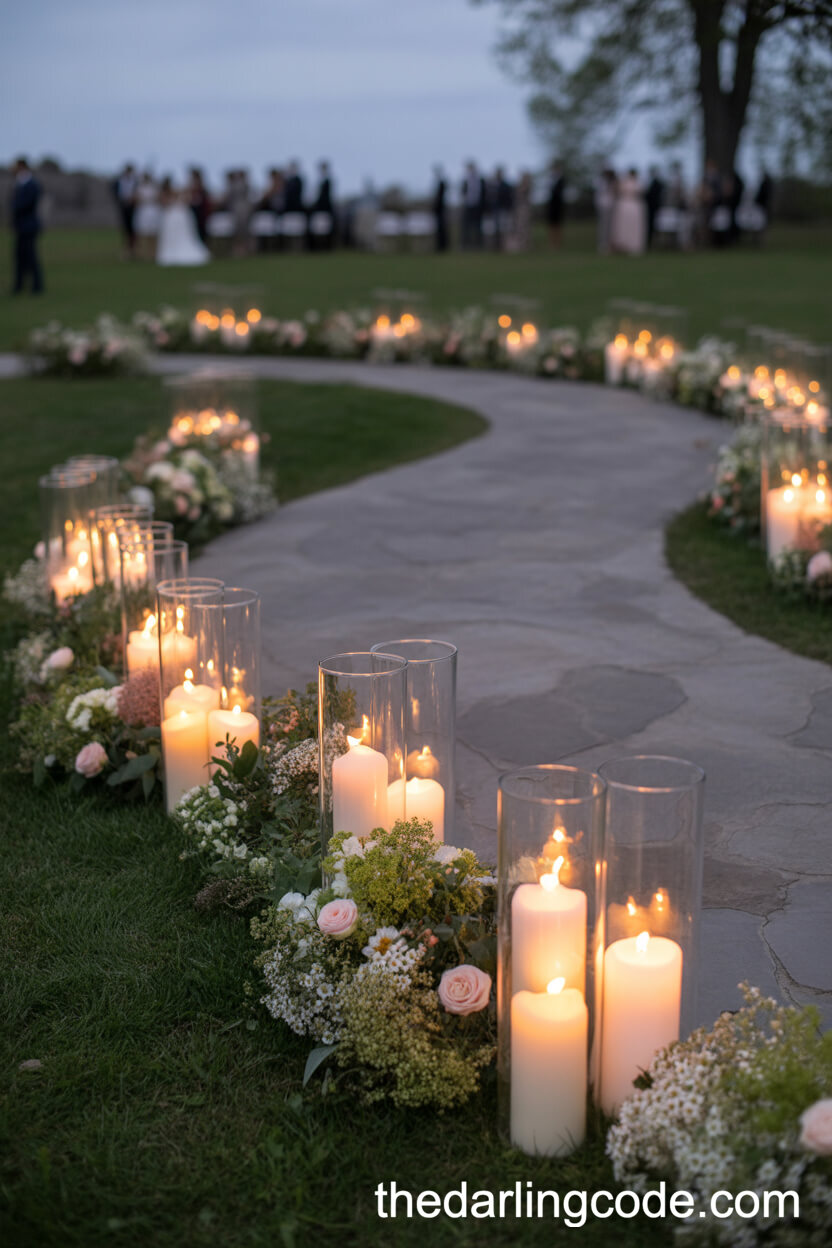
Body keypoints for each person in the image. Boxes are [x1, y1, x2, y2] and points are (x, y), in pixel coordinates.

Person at [155, 176, 211, 266]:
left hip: (179, 216)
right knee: (172, 235)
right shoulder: (171, 195)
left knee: (184, 234)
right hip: (174, 216)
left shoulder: (181, 195)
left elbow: (187, 201)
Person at [10, 157, 44, 293]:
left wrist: (15, 207)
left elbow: (26, 204)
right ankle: (18, 286)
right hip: (20, 226)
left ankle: (37, 286)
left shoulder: (31, 184)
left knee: (31, 257)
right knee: (19, 257)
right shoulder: (19, 183)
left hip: (29, 226)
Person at [611, 168, 646, 254]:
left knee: (633, 226)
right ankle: (623, 245)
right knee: (623, 225)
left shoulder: (636, 183)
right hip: (627, 205)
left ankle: (631, 245)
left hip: (631, 205)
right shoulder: (626, 182)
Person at [134, 172, 160, 260]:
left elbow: (157, 198)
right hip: (143, 212)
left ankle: (152, 253)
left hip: (152, 211)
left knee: (153, 233)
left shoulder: (154, 187)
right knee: (143, 233)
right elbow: (137, 199)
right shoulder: (140, 188)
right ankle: (143, 253)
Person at [115, 162, 138, 258]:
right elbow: (116, 192)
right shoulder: (119, 181)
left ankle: (133, 250)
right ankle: (126, 250)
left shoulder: (135, 181)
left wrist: (132, 200)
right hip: (124, 207)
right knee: (125, 229)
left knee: (133, 229)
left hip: (133, 208)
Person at [460, 161, 485, 249]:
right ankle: (466, 245)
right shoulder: (466, 180)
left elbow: (483, 194)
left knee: (478, 226)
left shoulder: (480, 180)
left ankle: (478, 244)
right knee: (466, 226)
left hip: (477, 207)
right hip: (468, 206)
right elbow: (462, 192)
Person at [311, 161, 335, 248]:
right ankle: (319, 246)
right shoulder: (319, 181)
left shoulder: (327, 181)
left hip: (325, 208)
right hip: (320, 208)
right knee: (319, 228)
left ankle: (326, 246)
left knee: (325, 228)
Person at [492, 166, 514, 251]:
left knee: (504, 228)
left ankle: (504, 245)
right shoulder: (493, 185)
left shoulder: (506, 186)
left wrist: (509, 209)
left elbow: (509, 198)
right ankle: (496, 246)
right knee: (495, 229)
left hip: (503, 209)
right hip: (495, 209)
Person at [595, 168, 617, 255]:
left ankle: (610, 244)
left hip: (611, 205)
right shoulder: (601, 182)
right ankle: (603, 244)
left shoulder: (613, 182)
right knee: (604, 226)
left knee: (611, 227)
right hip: (604, 206)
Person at [546, 160, 566, 248]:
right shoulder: (550, 179)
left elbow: (560, 191)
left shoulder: (562, 179)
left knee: (558, 224)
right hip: (552, 205)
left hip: (558, 205)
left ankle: (558, 243)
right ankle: (552, 243)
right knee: (551, 224)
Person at [187, 167, 210, 244]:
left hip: (200, 210)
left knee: (201, 227)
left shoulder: (201, 185)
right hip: (194, 208)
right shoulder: (192, 184)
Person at [511, 171, 533, 252]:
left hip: (524, 209)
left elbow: (521, 195)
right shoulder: (522, 186)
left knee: (524, 228)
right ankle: (521, 244)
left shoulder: (526, 186)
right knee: (520, 227)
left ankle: (525, 245)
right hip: (520, 209)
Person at [644, 165, 665, 249]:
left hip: (655, 208)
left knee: (655, 226)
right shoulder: (647, 182)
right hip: (647, 208)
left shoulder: (659, 183)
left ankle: (654, 243)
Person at [432, 164, 448, 252]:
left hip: (441, 209)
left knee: (442, 228)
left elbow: (439, 198)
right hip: (438, 210)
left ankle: (443, 246)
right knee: (439, 228)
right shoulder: (438, 183)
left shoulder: (442, 183)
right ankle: (440, 246)